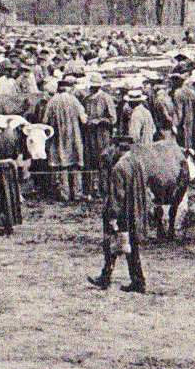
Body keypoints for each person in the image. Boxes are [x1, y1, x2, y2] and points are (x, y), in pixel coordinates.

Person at [89, 135, 149, 293]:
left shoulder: (119, 168)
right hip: (135, 212)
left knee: (111, 244)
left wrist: (112, 217)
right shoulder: (138, 163)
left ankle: (106, 278)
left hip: (122, 215)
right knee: (131, 247)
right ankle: (137, 280)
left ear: (117, 148)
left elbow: (117, 196)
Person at [42, 78, 87, 202]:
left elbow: (45, 121)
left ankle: (64, 193)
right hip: (73, 136)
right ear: (68, 88)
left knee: (62, 165)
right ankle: (77, 193)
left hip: (58, 138)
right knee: (75, 165)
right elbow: (83, 119)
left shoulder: (52, 101)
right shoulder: (74, 100)